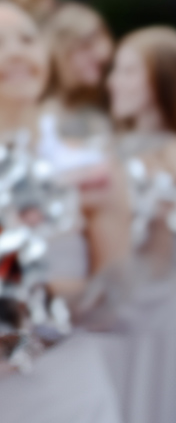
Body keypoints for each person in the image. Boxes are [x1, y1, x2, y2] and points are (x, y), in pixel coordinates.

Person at [0, 0, 129, 423]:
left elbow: (117, 292)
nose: (15, 52)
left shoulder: (93, 166)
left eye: (27, 39)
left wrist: (19, 288)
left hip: (71, 384)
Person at [102, 25, 176, 423]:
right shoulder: (106, 155)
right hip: (110, 324)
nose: (114, 83)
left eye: (128, 71)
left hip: (165, 326)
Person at [40, 2, 115, 139]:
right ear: (60, 51)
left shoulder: (112, 101)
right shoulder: (40, 113)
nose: (102, 53)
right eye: (86, 46)